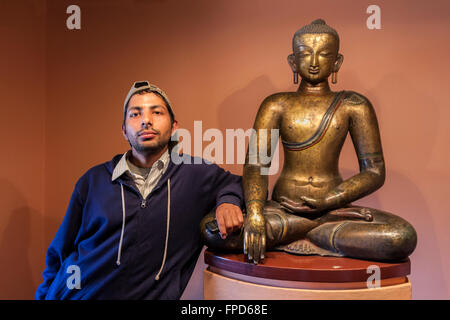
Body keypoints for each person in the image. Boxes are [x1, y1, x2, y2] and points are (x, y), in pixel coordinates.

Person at [202, 19, 417, 264]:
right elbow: (256, 165)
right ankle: (317, 231)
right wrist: (255, 214)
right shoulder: (276, 104)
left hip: (334, 210)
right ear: (293, 61)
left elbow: (375, 171)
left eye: (324, 55)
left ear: (337, 62)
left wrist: (330, 200)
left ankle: (304, 230)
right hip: (282, 210)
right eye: (306, 54)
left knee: (401, 236)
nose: (314, 63)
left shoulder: (354, 105)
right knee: (211, 231)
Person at [35, 81, 244, 299]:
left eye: (157, 112)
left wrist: (228, 201)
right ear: (124, 130)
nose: (146, 120)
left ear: (174, 126)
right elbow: (60, 252)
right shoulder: (93, 181)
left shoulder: (196, 175)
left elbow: (238, 184)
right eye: (135, 114)